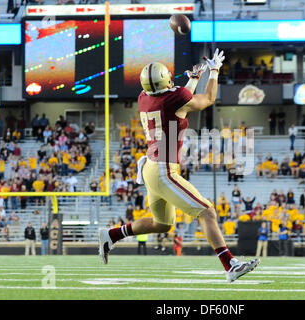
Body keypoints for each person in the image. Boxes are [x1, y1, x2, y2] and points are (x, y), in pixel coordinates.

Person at [98, 50, 259, 282]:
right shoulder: (175, 97)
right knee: (207, 212)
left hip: (150, 167)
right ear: (167, 81)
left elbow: (178, 100)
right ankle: (230, 265)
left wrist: (193, 79)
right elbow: (206, 99)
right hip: (163, 170)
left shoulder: (144, 97)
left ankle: (112, 234)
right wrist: (213, 71)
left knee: (161, 224)